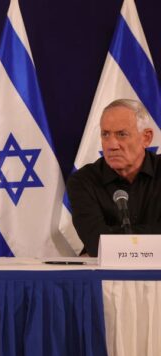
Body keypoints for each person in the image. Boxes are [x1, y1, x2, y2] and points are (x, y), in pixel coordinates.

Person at [67, 98, 161, 257]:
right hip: (109, 279)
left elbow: (106, 243)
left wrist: (114, 236)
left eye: (122, 134)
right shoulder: (83, 181)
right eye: (105, 134)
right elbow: (97, 244)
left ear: (146, 138)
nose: (111, 145)